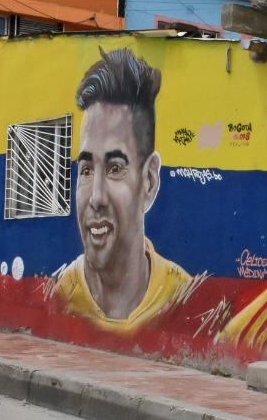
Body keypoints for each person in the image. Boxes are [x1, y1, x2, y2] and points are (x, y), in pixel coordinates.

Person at [51, 48, 191, 333]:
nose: (96, 198)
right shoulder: (57, 298)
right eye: (86, 170)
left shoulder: (186, 303)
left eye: (115, 168)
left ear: (149, 181)